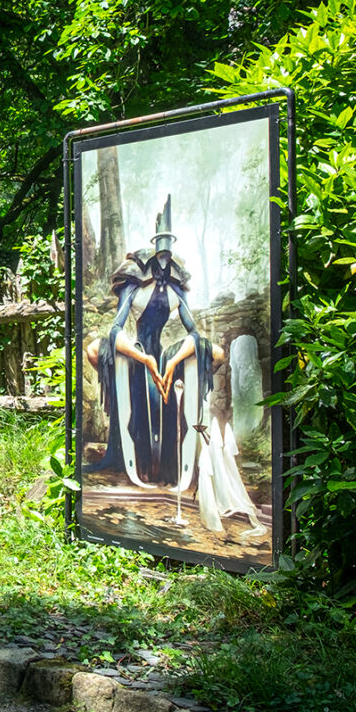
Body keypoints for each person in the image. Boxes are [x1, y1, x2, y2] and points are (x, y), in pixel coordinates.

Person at [84, 196, 216, 491]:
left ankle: (170, 467)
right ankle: (135, 463)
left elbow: (193, 331)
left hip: (161, 355)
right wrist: (144, 360)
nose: (165, 255)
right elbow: (116, 328)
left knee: (167, 395)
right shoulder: (135, 279)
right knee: (120, 372)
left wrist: (169, 361)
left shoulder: (176, 285)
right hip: (138, 355)